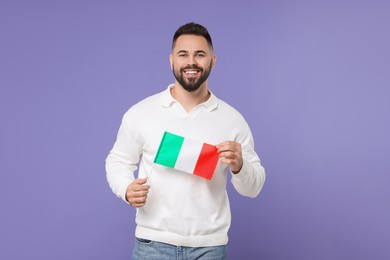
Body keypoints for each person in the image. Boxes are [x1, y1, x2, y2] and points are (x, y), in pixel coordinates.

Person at [106, 22, 266, 260]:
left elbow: (253, 188)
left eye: (200, 55)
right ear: (172, 60)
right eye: (183, 54)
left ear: (213, 61)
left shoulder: (232, 120)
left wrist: (240, 166)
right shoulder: (141, 113)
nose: (191, 62)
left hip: (209, 248)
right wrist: (126, 189)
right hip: (152, 244)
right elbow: (117, 160)